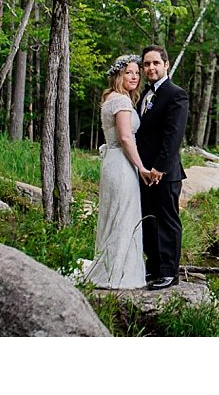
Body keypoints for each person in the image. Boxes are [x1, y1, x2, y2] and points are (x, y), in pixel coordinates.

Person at [84, 54, 154, 289]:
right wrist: (142, 167)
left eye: (136, 72)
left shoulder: (113, 98)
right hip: (122, 164)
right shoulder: (122, 102)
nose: (134, 76)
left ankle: (112, 267)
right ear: (118, 75)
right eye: (129, 72)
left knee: (116, 214)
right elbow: (125, 137)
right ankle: (117, 273)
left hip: (113, 162)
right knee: (123, 216)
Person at [136, 45, 189, 290]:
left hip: (164, 173)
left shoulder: (175, 94)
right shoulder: (144, 94)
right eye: (147, 64)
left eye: (155, 63)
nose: (151, 68)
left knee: (167, 220)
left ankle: (169, 272)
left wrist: (159, 168)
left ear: (166, 64)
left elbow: (173, 135)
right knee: (148, 220)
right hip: (142, 172)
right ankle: (154, 268)